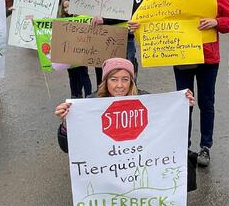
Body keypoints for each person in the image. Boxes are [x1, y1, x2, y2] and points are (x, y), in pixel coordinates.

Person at [54, 58, 197, 191]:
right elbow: (68, 148)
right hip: (106, 171)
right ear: (105, 81)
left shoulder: (146, 100)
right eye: (113, 79)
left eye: (125, 79)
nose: (119, 85)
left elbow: (168, 131)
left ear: (132, 81)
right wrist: (67, 125)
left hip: (139, 166)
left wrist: (182, 106)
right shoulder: (90, 105)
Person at [172, 0, 229, 167]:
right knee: (184, 103)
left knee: (206, 102)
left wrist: (215, 22)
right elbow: (161, 17)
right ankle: (183, 145)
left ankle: (205, 147)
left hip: (208, 58)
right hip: (183, 54)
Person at [57, 0, 92, 98]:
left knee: (83, 75)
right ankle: (75, 95)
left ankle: (89, 96)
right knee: (72, 75)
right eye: (65, 7)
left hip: (81, 52)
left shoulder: (83, 18)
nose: (67, 9)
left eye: (69, 6)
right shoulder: (61, 20)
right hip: (69, 53)